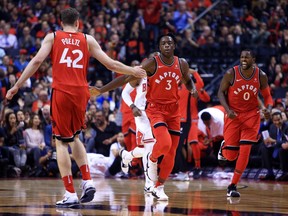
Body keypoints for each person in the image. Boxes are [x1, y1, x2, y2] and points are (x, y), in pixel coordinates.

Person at [5, 7, 146, 208]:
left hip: (62, 91)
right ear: (78, 23)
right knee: (76, 136)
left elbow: (36, 61)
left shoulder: (53, 37)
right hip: (81, 92)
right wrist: (133, 70)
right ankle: (87, 181)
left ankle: (70, 193)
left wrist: (17, 85)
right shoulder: (87, 39)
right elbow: (110, 64)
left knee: (61, 142)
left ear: (61, 22)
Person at [92, 33, 198, 201]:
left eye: (170, 43)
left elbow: (188, 79)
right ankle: (150, 169)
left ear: (175, 46)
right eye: (164, 43)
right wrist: (101, 90)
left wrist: (192, 88)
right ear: (159, 47)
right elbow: (126, 81)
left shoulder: (181, 63)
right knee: (162, 144)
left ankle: (157, 185)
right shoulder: (150, 66)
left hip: (173, 111)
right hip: (150, 111)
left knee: (169, 151)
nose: (167, 46)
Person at [217, 49, 273, 197]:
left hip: (251, 115)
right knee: (231, 157)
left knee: (245, 151)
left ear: (253, 60)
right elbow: (220, 93)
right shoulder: (231, 73)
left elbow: (267, 97)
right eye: (241, 57)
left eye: (246, 58)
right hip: (233, 115)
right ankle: (224, 148)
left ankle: (232, 185)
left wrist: (268, 109)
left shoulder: (261, 76)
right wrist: (227, 110)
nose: (243, 59)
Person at [120, 73, 155, 193]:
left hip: (158, 114)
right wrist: (132, 106)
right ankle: (149, 183)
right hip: (142, 115)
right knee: (149, 147)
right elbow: (124, 93)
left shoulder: (164, 76)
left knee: (150, 149)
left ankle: (126, 156)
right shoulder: (141, 75)